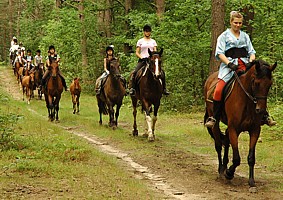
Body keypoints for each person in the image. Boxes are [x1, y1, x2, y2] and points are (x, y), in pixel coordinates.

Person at [205, 11, 276, 128]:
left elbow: (252, 51)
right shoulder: (223, 36)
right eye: (235, 23)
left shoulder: (245, 36)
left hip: (245, 65)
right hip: (229, 66)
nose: (238, 25)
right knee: (218, 90)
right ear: (231, 22)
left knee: (259, 87)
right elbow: (219, 53)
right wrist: (229, 64)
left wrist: (251, 62)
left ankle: (265, 115)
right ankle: (214, 117)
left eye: (240, 23)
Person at [128, 24, 169, 96]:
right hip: (143, 60)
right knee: (135, 72)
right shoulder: (140, 41)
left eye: (149, 31)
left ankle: (164, 89)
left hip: (152, 60)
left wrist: (155, 57)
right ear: (144, 32)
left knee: (162, 72)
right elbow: (137, 52)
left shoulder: (153, 41)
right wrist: (142, 57)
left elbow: (155, 52)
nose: (148, 33)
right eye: (146, 31)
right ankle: (132, 88)